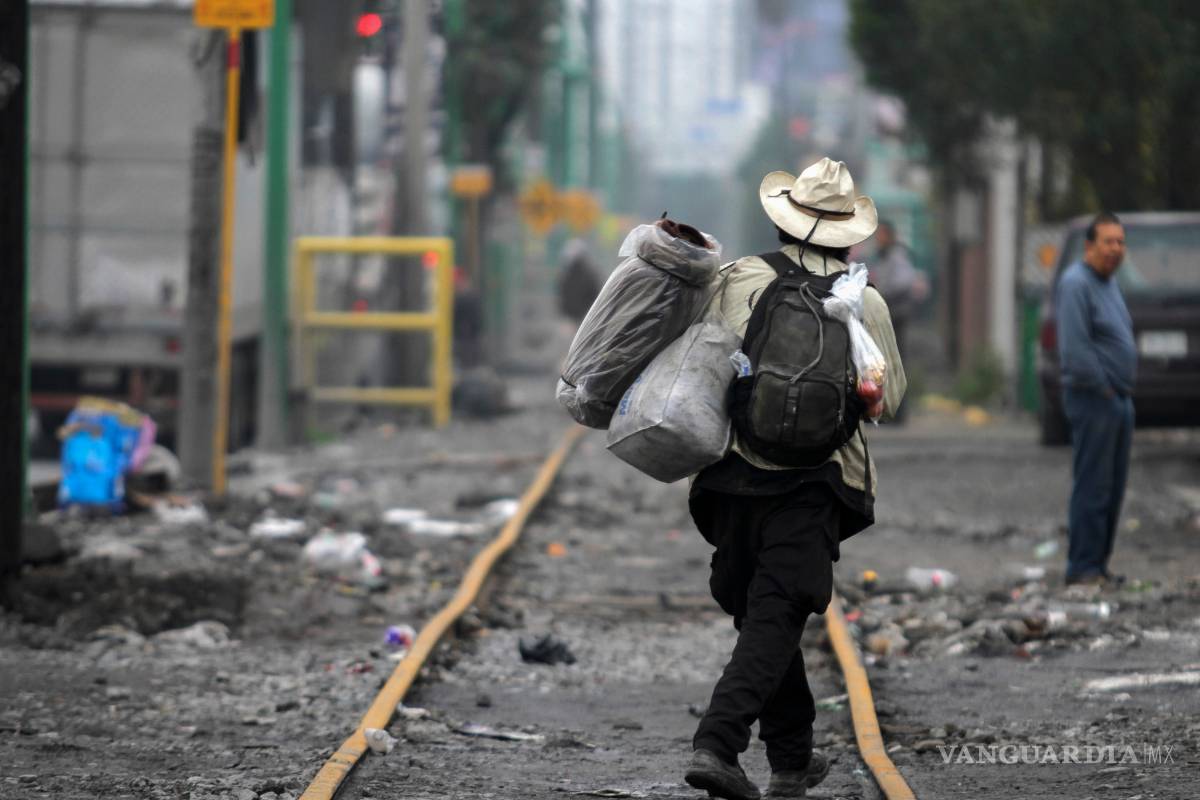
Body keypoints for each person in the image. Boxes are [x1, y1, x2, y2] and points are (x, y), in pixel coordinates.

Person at [684, 158, 906, 800]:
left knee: (762, 611)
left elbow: (702, 365)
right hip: (816, 483)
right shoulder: (862, 300)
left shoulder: (740, 280)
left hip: (732, 474)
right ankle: (716, 745)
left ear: (785, 219)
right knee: (775, 615)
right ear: (848, 234)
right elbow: (886, 399)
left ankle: (790, 758)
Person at [1055, 212, 1136, 587]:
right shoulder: (1076, 284)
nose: (1116, 249)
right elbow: (1075, 350)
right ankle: (1082, 568)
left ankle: (1099, 565)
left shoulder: (1108, 282)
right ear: (1090, 246)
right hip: (1094, 396)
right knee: (1093, 484)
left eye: (1120, 242)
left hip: (1118, 398)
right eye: (1108, 241)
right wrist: (1104, 386)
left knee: (1114, 486)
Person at [869, 221, 926, 421]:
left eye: (881, 235)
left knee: (895, 363)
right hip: (888, 316)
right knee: (885, 364)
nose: (878, 239)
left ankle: (897, 413)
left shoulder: (896, 256)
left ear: (889, 236)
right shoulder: (884, 256)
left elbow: (903, 281)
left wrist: (882, 291)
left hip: (896, 316)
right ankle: (888, 411)